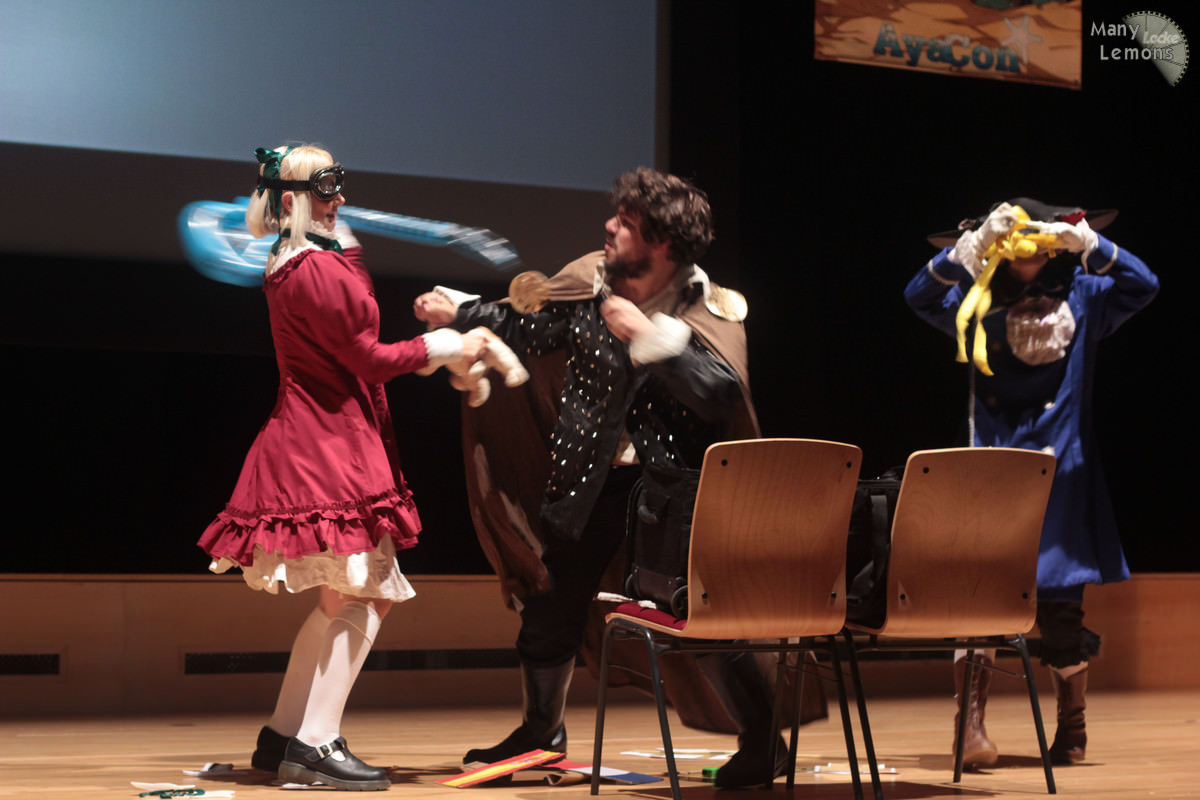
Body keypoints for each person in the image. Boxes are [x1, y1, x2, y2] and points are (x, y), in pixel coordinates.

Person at [413, 167, 797, 788]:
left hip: (672, 493)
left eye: (626, 222)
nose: (610, 226)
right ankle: (541, 732)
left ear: (661, 243)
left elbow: (722, 394)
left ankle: (762, 740)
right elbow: (533, 325)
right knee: (549, 604)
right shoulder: (593, 284)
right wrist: (461, 312)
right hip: (591, 480)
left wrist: (651, 338)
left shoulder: (705, 307)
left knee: (695, 617)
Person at [198, 144, 487, 791]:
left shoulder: (294, 259)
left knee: (340, 598)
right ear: (296, 200)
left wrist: (343, 241)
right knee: (369, 593)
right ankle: (316, 744)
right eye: (329, 191)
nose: (342, 199)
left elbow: (350, 312)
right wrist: (441, 345)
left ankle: (283, 736)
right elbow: (369, 358)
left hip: (318, 439)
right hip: (329, 448)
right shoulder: (316, 270)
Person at [904, 198, 1159, 768]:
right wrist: (969, 251)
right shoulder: (975, 299)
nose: (1028, 255)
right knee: (978, 601)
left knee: (1061, 608)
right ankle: (969, 728)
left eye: (1038, 243)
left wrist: (1092, 245)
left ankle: (1073, 728)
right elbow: (917, 296)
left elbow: (1144, 285)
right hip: (990, 472)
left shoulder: (1084, 298)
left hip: (1060, 473)